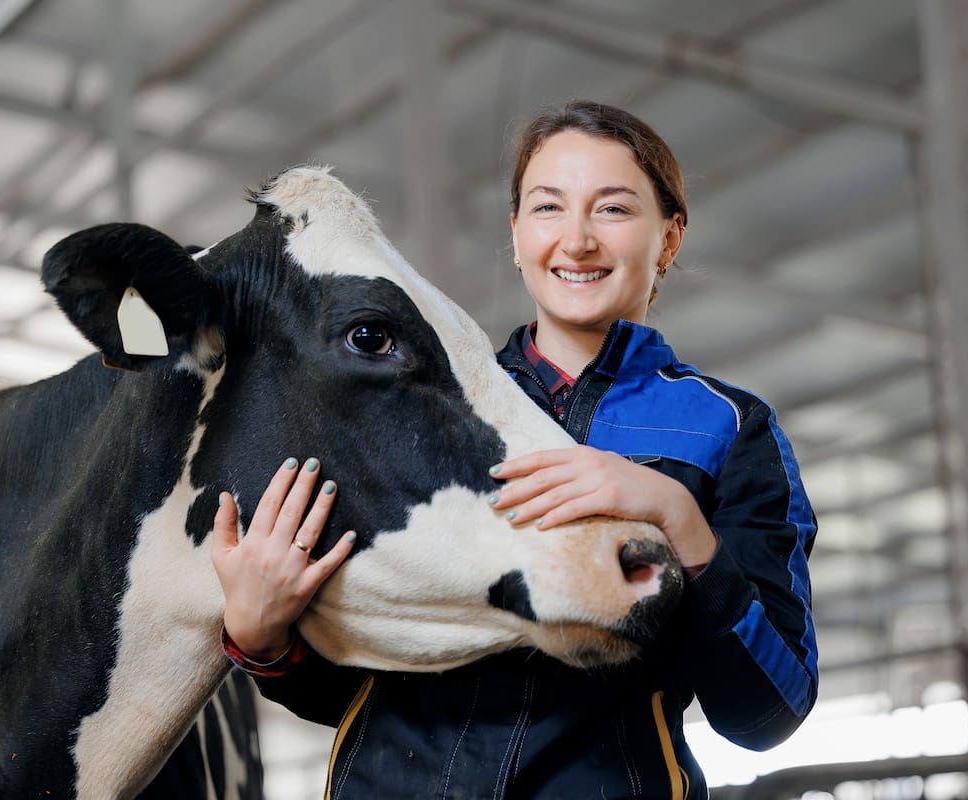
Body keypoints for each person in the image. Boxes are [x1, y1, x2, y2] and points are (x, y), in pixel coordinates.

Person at [210, 99, 818, 799]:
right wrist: (263, 641)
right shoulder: (413, 397)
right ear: (517, 232)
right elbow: (358, 686)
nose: (577, 241)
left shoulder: (728, 429)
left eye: (613, 209)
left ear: (670, 237)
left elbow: (767, 712)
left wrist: (677, 516)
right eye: (548, 207)